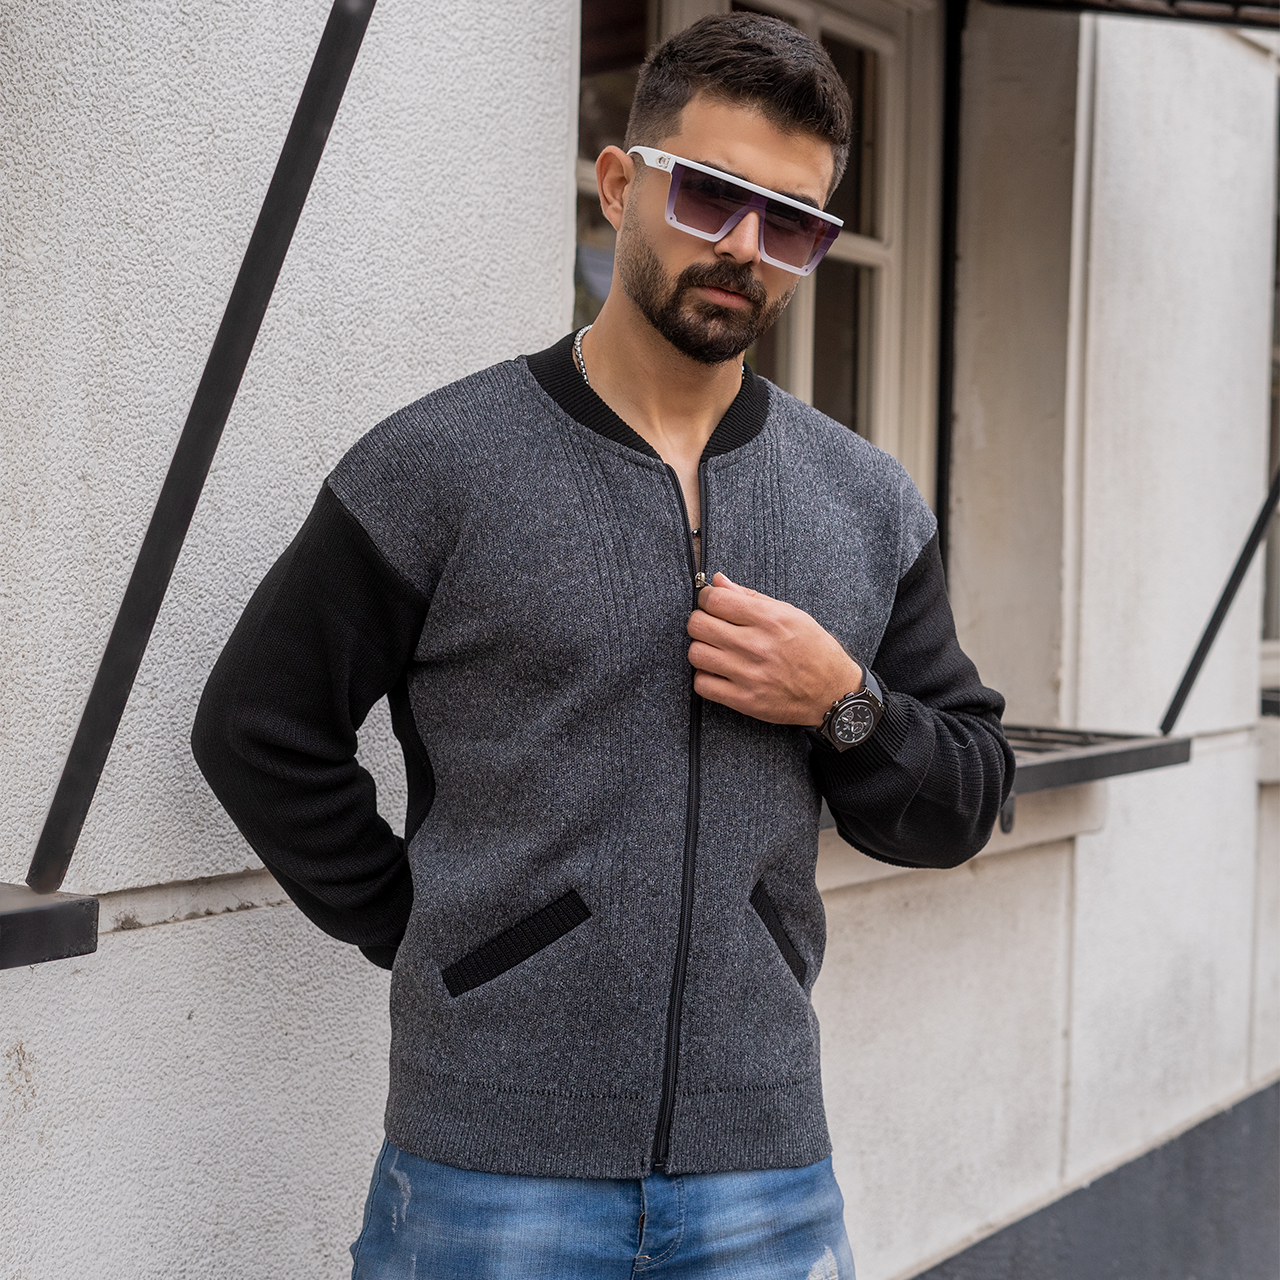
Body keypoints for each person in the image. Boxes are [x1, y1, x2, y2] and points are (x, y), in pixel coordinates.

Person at [192, 12, 1013, 1278]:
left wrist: (842, 701)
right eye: (710, 195)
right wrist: (432, 935)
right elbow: (258, 727)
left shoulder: (862, 500)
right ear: (621, 183)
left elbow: (963, 800)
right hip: (488, 1171)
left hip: (763, 1177)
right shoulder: (440, 464)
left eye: (789, 222)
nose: (743, 248)